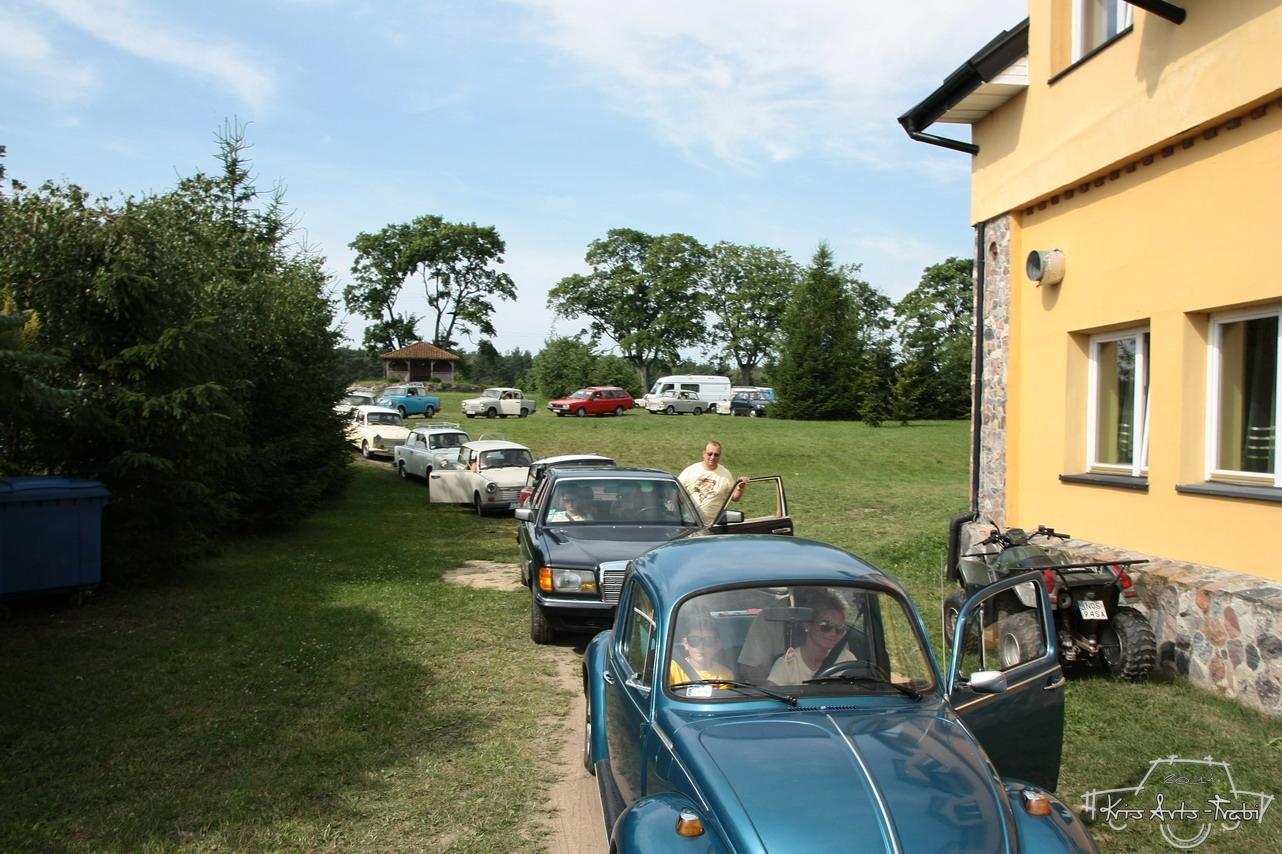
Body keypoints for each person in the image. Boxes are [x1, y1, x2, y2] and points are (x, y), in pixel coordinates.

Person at [767, 590, 857, 685]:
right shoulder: (787, 664)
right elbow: (771, 693)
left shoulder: (847, 659)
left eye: (839, 628)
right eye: (826, 626)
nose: (833, 633)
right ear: (807, 625)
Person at [679, 441, 749, 526]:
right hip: (690, 524)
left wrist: (740, 487)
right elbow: (675, 493)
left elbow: (735, 498)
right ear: (704, 454)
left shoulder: (725, 474)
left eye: (716, 455)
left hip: (715, 526)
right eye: (709, 454)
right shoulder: (690, 471)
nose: (712, 457)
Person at [668, 615, 733, 686]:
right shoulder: (670, 669)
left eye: (708, 640)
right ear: (686, 643)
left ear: (717, 645)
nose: (701, 646)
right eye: (694, 640)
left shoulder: (725, 675)